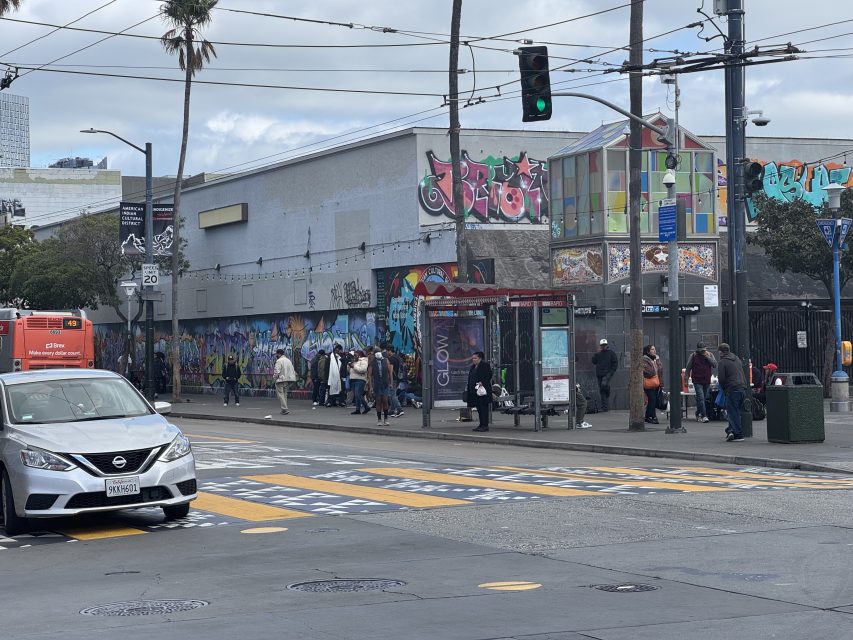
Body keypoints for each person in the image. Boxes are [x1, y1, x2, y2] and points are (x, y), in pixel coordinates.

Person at [717, 343, 747, 442]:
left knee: (732, 412)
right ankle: (731, 431)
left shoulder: (722, 362)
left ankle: (738, 434)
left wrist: (725, 389)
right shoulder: (737, 359)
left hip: (732, 388)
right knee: (735, 411)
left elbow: (721, 379)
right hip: (741, 387)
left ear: (721, 352)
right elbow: (742, 372)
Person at [685, 341, 717, 423]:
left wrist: (708, 357)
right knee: (701, 397)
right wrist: (686, 378)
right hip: (697, 380)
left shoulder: (710, 355)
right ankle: (704, 415)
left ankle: (698, 412)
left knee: (704, 397)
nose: (702, 352)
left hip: (706, 379)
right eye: (701, 350)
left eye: (704, 350)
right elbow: (688, 367)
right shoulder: (693, 356)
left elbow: (715, 364)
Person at [466, 351, 493, 432]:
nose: (474, 360)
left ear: (480, 358)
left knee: (483, 408)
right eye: (473, 358)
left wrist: (482, 382)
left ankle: (485, 425)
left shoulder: (485, 366)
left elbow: (488, 375)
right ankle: (481, 424)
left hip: (482, 391)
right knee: (479, 409)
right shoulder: (473, 367)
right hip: (475, 392)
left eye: (475, 358)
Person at [591, 338, 618, 411]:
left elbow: (615, 362)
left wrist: (611, 371)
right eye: (602, 345)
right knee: (602, 390)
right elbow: (594, 361)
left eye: (604, 345)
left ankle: (607, 391)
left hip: (607, 373)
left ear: (607, 345)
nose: (603, 346)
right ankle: (605, 407)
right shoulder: (598, 354)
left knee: (604, 385)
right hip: (600, 374)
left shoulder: (611, 353)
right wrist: (596, 354)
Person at [367, 348, 393, 425]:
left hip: (385, 383)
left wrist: (391, 383)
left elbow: (390, 372)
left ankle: (386, 419)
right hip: (377, 384)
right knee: (378, 401)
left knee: (385, 400)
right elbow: (369, 375)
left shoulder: (386, 360)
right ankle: (379, 419)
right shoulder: (372, 363)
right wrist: (371, 386)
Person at [642, 344, 664, 424]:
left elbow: (661, 370)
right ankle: (652, 416)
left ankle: (648, 416)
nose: (654, 351)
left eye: (654, 349)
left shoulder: (656, 359)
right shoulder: (644, 360)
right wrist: (654, 365)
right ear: (648, 351)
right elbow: (649, 372)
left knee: (654, 399)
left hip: (656, 382)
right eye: (652, 349)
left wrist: (657, 361)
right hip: (648, 382)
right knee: (652, 399)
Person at [273, 348, 297, 415]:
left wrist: (274, 378)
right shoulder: (288, 360)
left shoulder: (279, 361)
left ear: (278, 354)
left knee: (281, 395)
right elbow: (292, 370)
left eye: (276, 354)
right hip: (287, 379)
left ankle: (284, 409)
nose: (276, 355)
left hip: (281, 379)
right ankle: (284, 408)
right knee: (284, 394)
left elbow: (277, 371)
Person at [384, 344, 405, 417]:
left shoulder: (391, 359)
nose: (386, 353)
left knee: (392, 395)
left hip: (393, 379)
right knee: (392, 394)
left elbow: (390, 371)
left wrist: (390, 381)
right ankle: (392, 410)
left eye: (386, 351)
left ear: (389, 351)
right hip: (399, 378)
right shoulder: (398, 357)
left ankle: (399, 409)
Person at [348, 350, 369, 414]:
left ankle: (366, 406)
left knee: (358, 394)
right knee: (356, 395)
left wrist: (354, 366)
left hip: (360, 379)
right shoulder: (354, 361)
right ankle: (358, 409)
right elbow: (349, 371)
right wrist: (349, 366)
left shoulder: (363, 361)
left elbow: (363, 369)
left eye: (356, 355)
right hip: (353, 379)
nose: (354, 356)